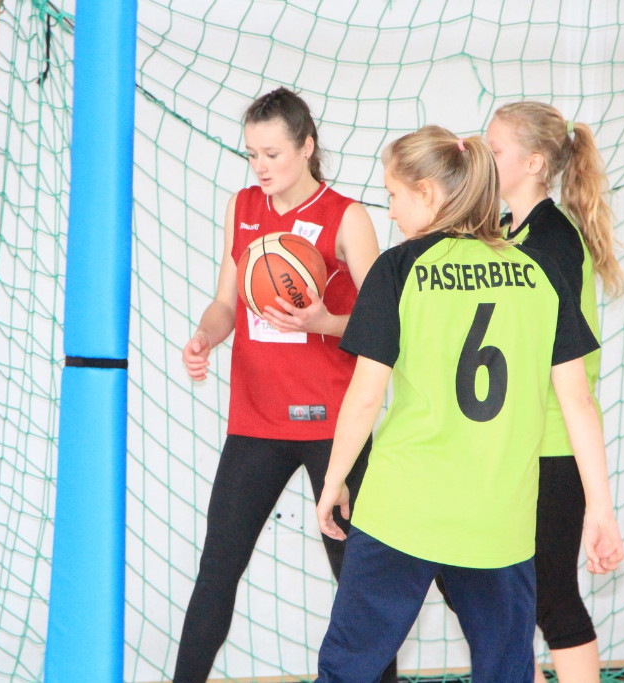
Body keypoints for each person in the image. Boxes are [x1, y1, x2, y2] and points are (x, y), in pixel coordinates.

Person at [314, 125, 624, 683]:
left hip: (403, 509)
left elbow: (364, 398)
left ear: (428, 193)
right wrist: (600, 508)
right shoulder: (540, 272)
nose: (389, 211)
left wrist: (334, 480)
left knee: (348, 668)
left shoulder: (399, 267)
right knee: (506, 671)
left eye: (392, 195)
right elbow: (578, 401)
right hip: (498, 518)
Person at [174, 87, 396, 683]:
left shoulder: (347, 216)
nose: (261, 167)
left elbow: (385, 320)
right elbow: (226, 302)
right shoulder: (244, 206)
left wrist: (324, 322)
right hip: (257, 421)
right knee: (217, 573)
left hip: (334, 427)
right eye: (252, 154)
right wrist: (205, 337)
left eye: (272, 153)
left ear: (307, 146)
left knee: (359, 585)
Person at [479, 101, 624, 683]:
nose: (485, 159)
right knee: (497, 592)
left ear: (535, 163)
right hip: (515, 446)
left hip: (553, 450)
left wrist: (601, 508)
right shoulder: (506, 232)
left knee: (552, 598)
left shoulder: (553, 243)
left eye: (494, 151)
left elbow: (575, 391)